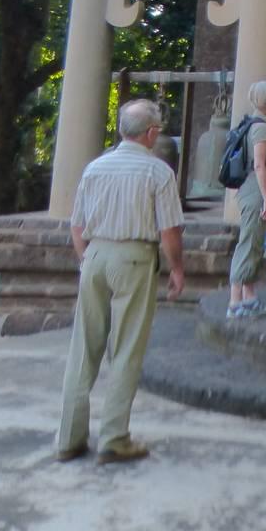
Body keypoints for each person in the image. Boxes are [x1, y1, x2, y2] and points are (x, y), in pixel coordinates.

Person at [55, 98, 185, 464]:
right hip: (134, 257)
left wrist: (87, 258)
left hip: (95, 254)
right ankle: (114, 437)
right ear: (152, 133)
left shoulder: (95, 168)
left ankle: (68, 437)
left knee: (83, 349)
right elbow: (169, 231)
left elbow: (77, 225)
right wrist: (177, 268)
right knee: (126, 347)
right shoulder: (158, 173)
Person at [226, 79, 266, 318]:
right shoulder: (261, 128)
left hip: (248, 190)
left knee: (254, 243)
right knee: (249, 243)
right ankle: (235, 301)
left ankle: (249, 297)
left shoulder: (249, 123)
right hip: (255, 191)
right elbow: (259, 165)